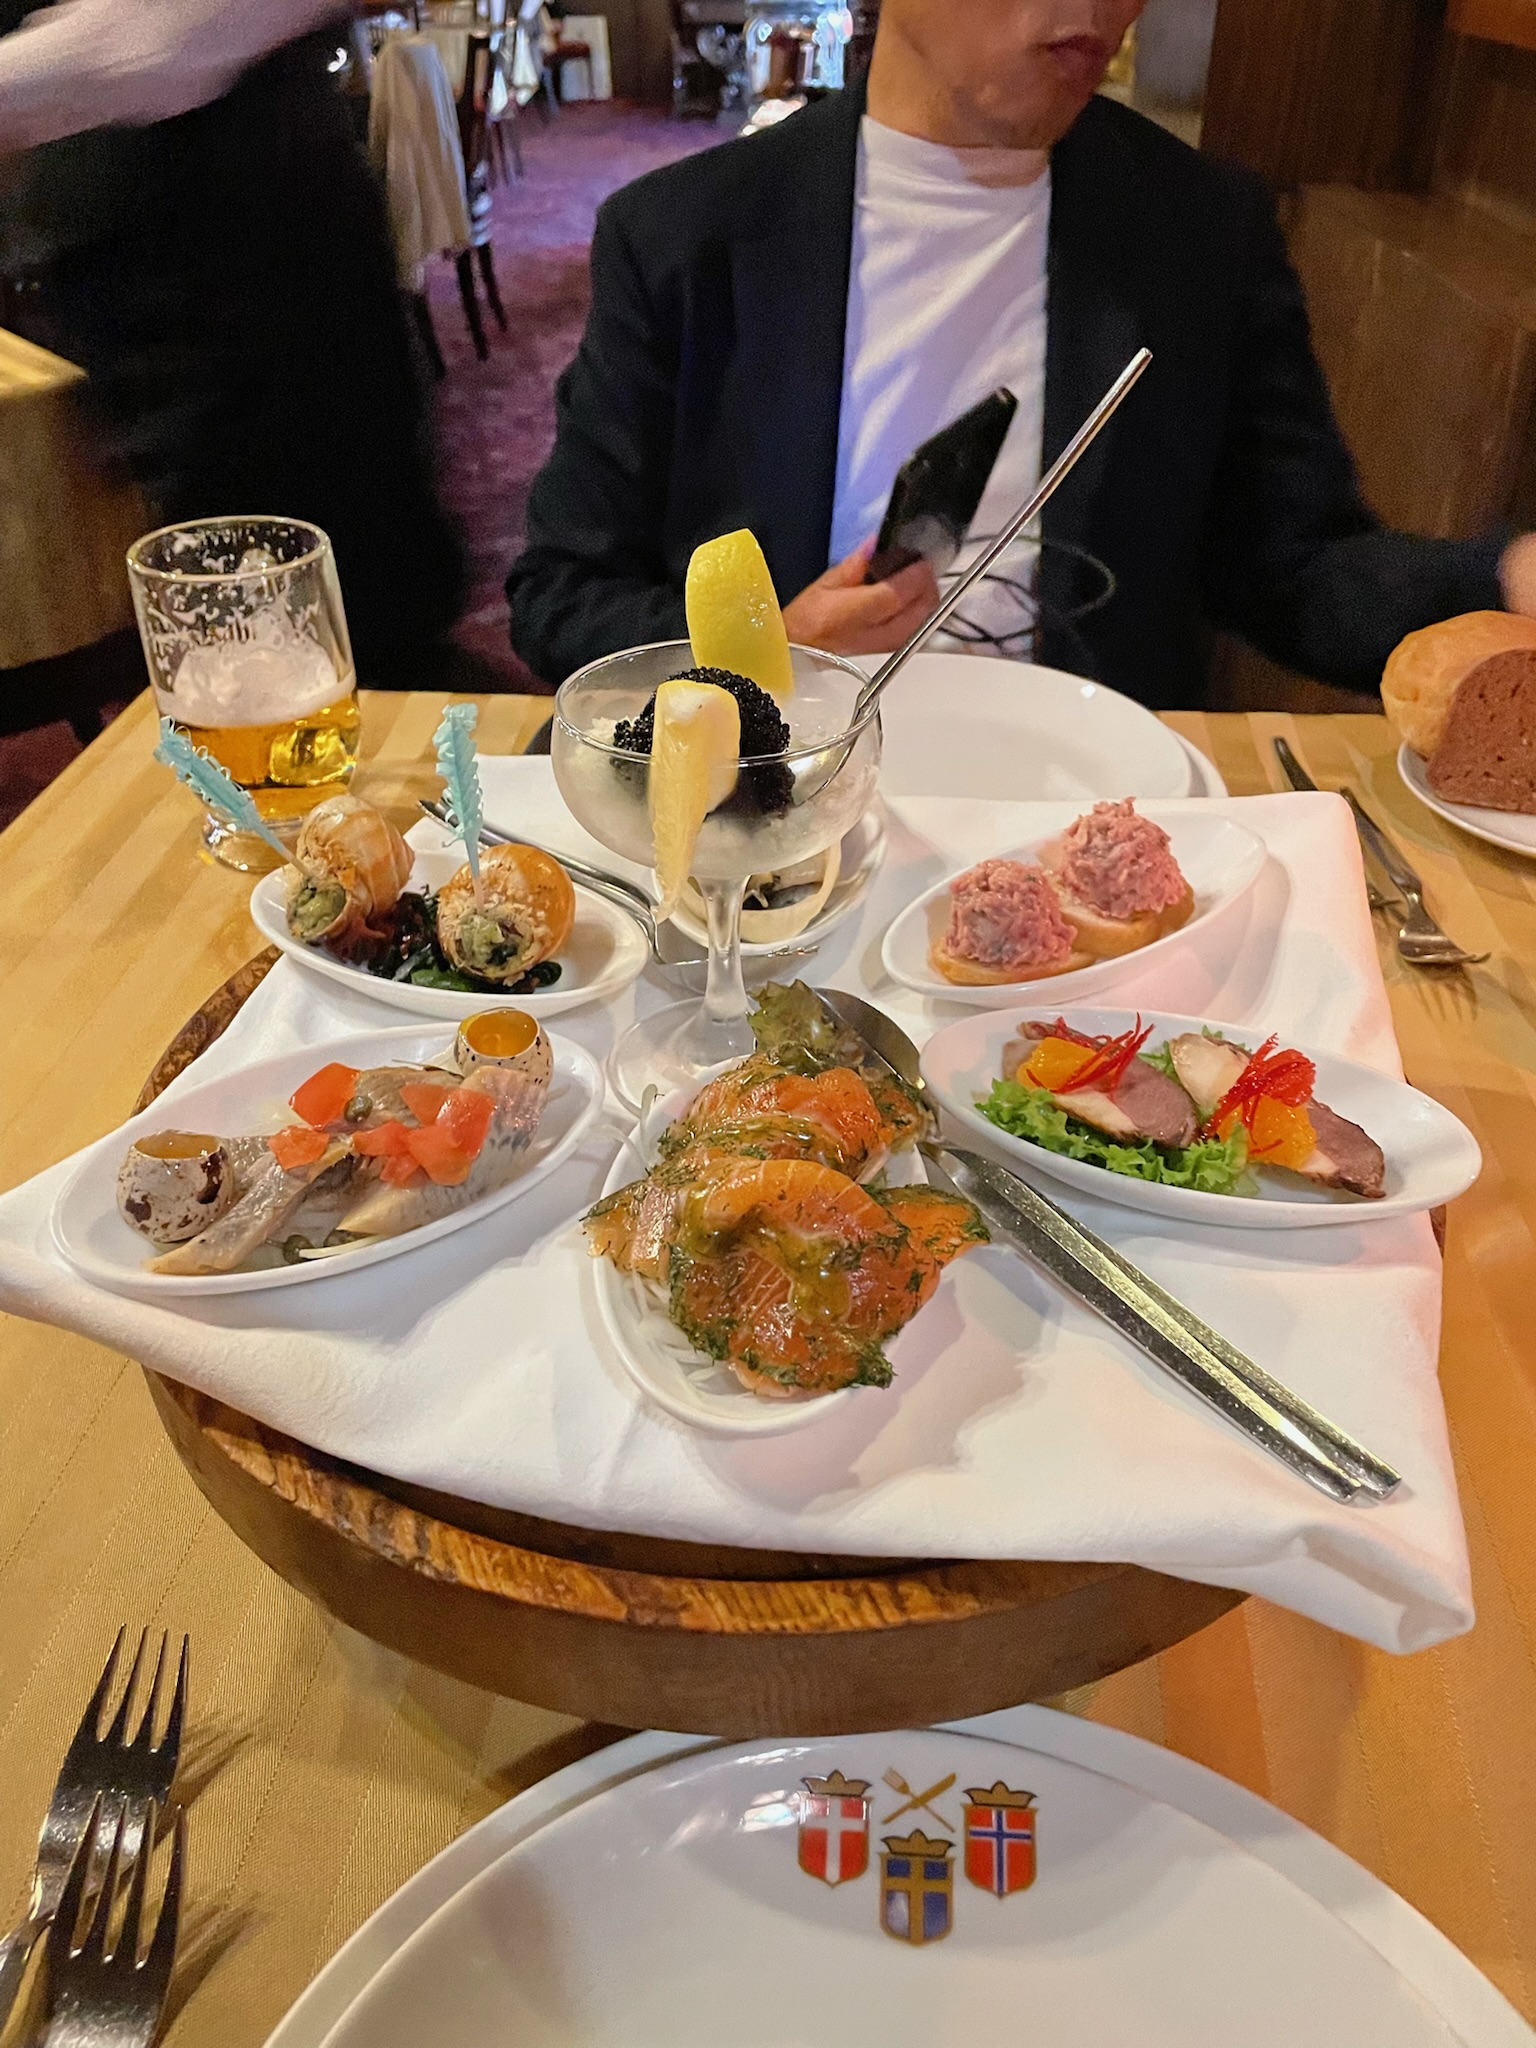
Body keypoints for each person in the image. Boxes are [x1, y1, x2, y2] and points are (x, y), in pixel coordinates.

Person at [506, 0, 1536, 708]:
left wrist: (1500, 577)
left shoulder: (1199, 230)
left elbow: (1291, 569)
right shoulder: (685, 235)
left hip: (1075, 819)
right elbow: (563, 595)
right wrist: (768, 648)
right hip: (776, 803)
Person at [0, 0, 467, 690]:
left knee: (337, 588)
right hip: (135, 241)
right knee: (227, 604)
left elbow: (145, 44)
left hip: (249, 231)